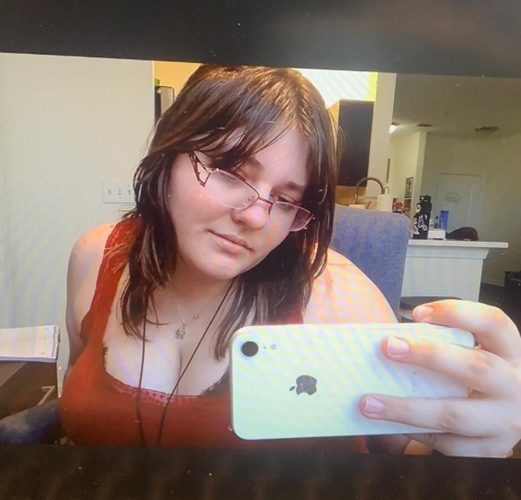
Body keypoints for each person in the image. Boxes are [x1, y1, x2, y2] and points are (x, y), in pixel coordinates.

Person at [60, 64, 521, 457]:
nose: (257, 216)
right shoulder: (96, 256)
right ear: (169, 151)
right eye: (229, 171)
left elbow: (403, 454)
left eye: (285, 200)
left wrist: (474, 447)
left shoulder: (341, 302)